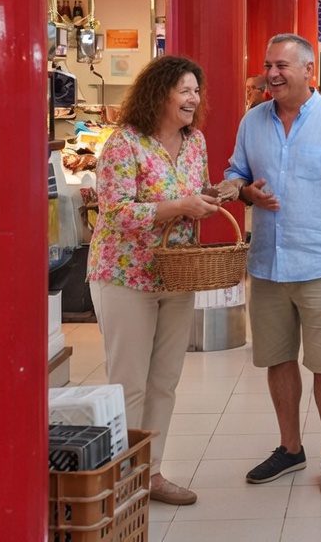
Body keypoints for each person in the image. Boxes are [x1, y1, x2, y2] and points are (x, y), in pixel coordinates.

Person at [223, 33, 321, 495]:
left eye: (282, 66)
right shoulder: (252, 121)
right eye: (268, 65)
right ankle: (291, 447)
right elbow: (236, 172)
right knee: (276, 360)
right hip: (268, 264)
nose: (272, 74)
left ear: (309, 70)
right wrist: (247, 192)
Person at [87, 55, 222, 507]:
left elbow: (195, 192)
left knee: (165, 380)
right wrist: (180, 207)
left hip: (175, 272)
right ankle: (122, 477)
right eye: (184, 90)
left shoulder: (195, 141)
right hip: (124, 274)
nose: (193, 99)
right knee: (129, 381)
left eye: (196, 91)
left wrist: (213, 197)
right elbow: (117, 212)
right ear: (158, 93)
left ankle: (153, 473)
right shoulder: (125, 144)